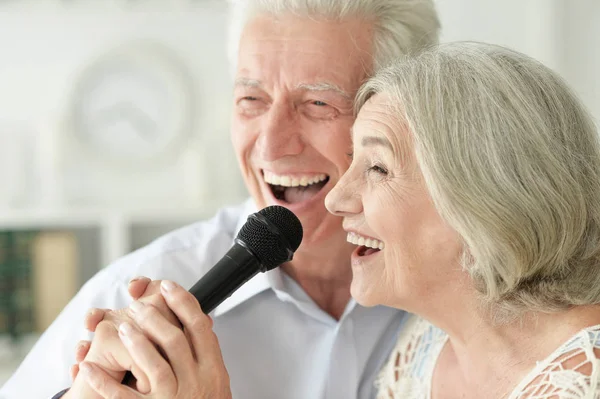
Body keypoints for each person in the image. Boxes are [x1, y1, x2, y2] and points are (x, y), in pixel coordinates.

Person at [67, 42, 600, 399]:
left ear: (488, 194)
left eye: (376, 167)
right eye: (250, 98)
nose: (339, 198)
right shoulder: (423, 344)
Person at [0, 1, 440, 398]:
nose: (270, 145)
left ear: (405, 115)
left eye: (319, 103)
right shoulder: (132, 297)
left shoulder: (467, 286)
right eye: (251, 100)